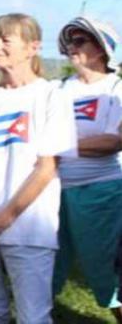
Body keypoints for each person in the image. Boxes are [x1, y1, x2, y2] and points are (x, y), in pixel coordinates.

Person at [0, 13, 77, 324]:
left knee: (33, 316)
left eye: (5, 40)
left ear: (32, 47)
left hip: (28, 226)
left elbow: (46, 167)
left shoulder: (51, 96)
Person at [52, 17, 122, 319]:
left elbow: (113, 141)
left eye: (80, 41)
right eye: (70, 42)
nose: (72, 47)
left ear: (101, 49)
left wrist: (55, 149)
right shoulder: (57, 89)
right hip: (53, 191)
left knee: (105, 268)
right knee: (46, 265)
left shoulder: (116, 87)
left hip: (102, 191)